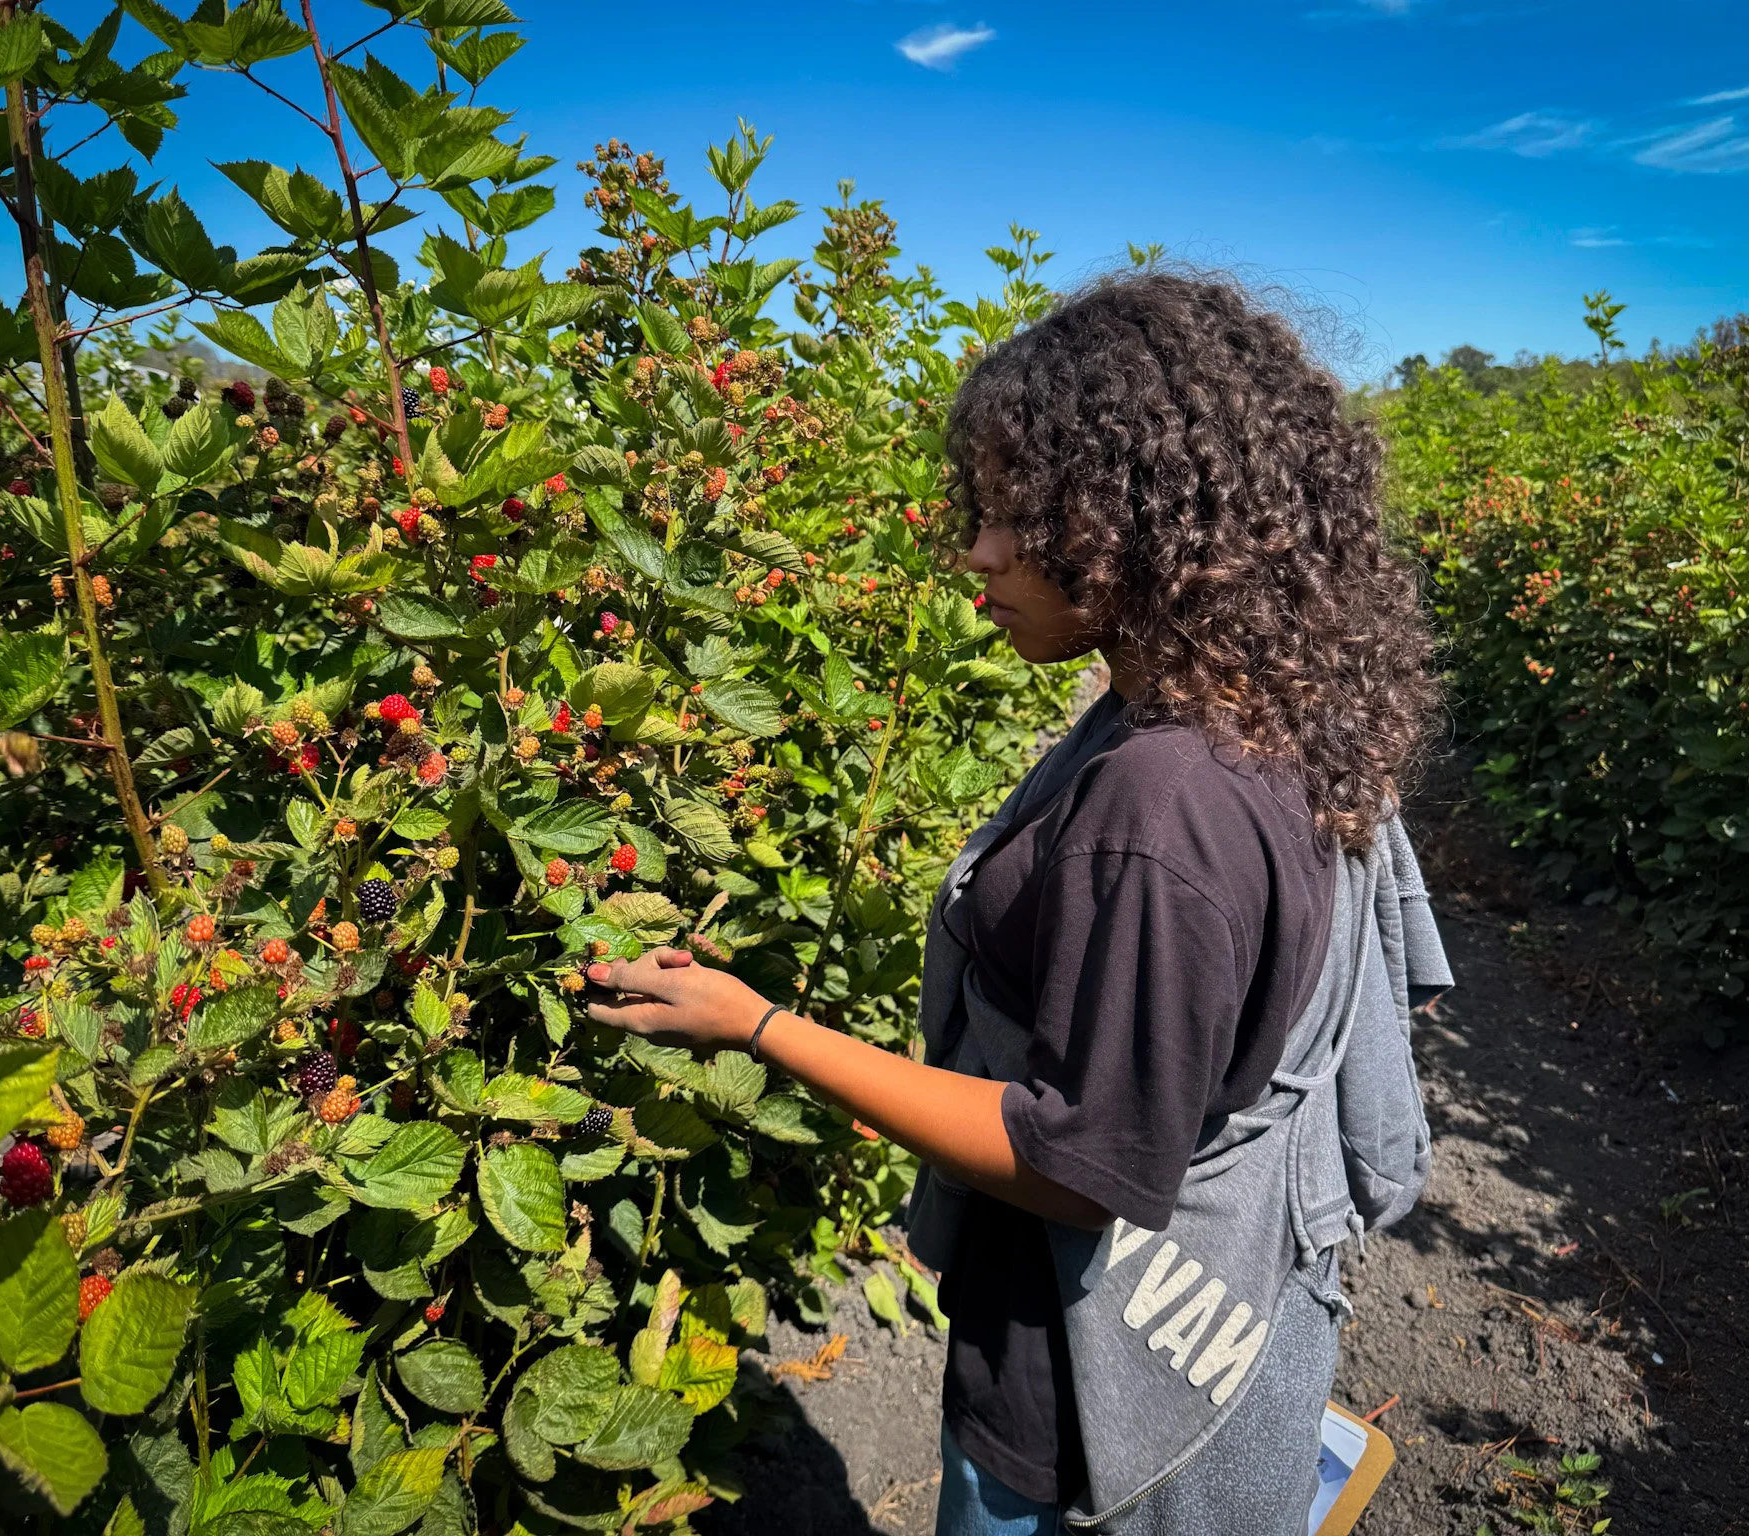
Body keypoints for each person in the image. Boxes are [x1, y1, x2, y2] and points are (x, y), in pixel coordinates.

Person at [582, 272, 1448, 1535]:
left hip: (1079, 1382)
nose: (974, 553)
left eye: (1014, 519)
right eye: (978, 511)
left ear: (1136, 519)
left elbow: (1077, 1163)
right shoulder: (1263, 708)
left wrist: (754, 1026)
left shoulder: (1165, 803)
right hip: (1195, 1305)